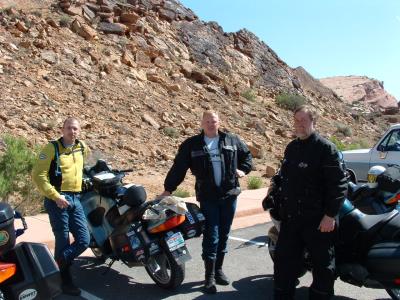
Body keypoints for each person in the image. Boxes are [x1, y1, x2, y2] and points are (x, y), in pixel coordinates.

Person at [160, 110, 253, 294]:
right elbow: (179, 167)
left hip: (229, 195)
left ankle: (218, 270)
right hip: (208, 197)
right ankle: (208, 277)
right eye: (208, 121)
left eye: (214, 121)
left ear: (219, 122)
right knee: (212, 235)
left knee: (224, 234)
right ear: (202, 123)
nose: (211, 124)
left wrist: (243, 170)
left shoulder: (232, 140)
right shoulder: (192, 144)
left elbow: (247, 158)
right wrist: (168, 189)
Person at [273, 105, 347, 300]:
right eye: (297, 121)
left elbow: (339, 185)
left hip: (318, 221)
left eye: (304, 121)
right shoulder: (292, 147)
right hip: (291, 219)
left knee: (323, 267)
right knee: (284, 262)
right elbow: (285, 179)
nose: (299, 125)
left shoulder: (326, 148)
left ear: (313, 122)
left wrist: (330, 215)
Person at [32, 117, 90, 296]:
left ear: (79, 131)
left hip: (75, 198)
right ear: (62, 129)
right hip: (58, 200)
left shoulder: (82, 148)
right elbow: (38, 175)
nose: (72, 132)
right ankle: (65, 281)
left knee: (84, 239)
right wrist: (55, 196)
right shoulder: (52, 148)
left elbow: (83, 169)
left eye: (75, 129)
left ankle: (57, 264)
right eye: (69, 128)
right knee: (62, 239)